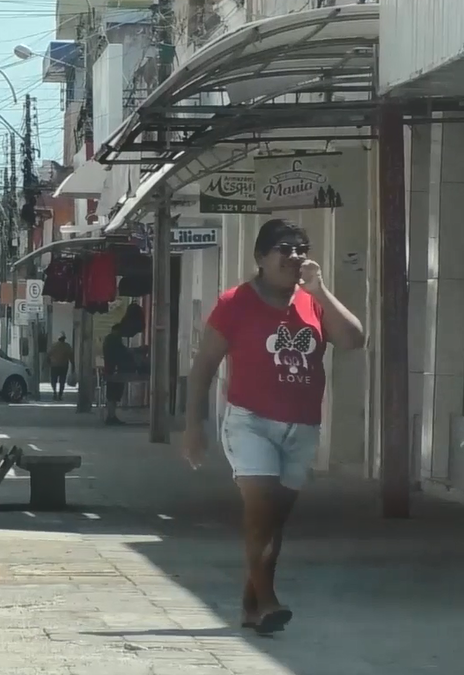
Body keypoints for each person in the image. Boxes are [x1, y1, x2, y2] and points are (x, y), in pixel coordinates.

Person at [183, 219, 365, 635]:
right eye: (283, 248)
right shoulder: (235, 302)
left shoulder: (313, 301)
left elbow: (354, 340)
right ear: (261, 258)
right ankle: (268, 601)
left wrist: (319, 291)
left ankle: (252, 604)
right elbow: (203, 367)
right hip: (251, 422)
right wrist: (194, 426)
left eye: (301, 248)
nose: (294, 256)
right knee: (260, 510)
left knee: (274, 521)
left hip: (301, 427)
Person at [102, 322, 135, 425]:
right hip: (114, 370)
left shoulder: (110, 339)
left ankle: (111, 416)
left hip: (111, 369)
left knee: (113, 395)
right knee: (113, 395)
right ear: (116, 330)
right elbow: (121, 352)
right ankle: (111, 416)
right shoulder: (113, 340)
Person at [46, 332, 73, 401]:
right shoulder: (67, 346)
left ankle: (55, 392)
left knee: (53, 380)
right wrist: (73, 365)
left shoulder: (54, 346)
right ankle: (60, 394)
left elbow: (48, 355)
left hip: (54, 365)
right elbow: (71, 357)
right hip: (63, 366)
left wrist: (48, 363)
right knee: (62, 381)